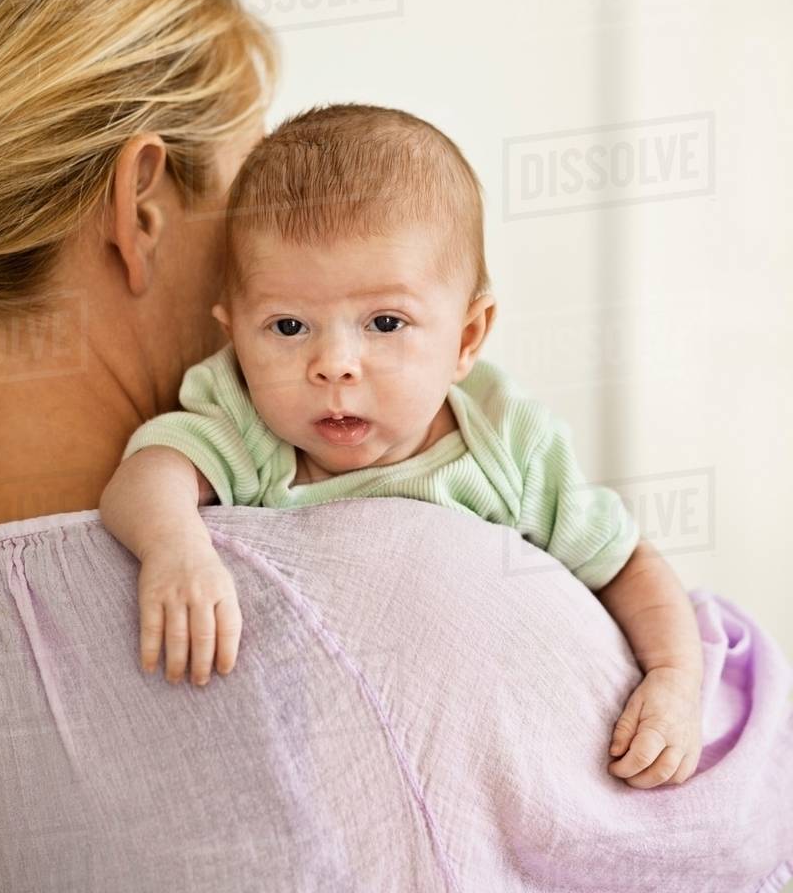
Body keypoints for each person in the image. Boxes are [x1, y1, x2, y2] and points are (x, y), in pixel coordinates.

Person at [0, 0, 791, 893]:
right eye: (243, 197)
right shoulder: (394, 589)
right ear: (140, 207)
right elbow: (739, 830)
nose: (333, 356)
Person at [99, 102, 703, 790]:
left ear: (467, 338)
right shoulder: (250, 422)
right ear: (233, 332)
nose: (333, 362)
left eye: (385, 322)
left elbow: (625, 565)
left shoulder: (508, 444)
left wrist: (676, 683)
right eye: (287, 326)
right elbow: (146, 475)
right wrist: (176, 549)